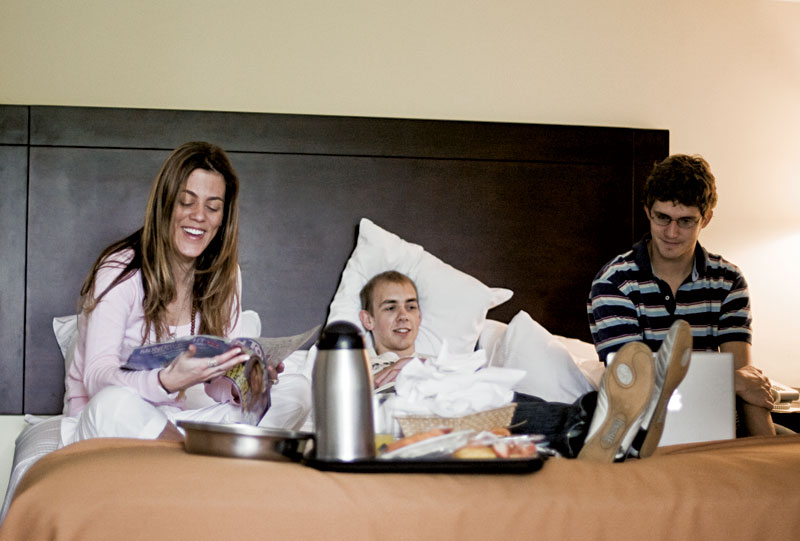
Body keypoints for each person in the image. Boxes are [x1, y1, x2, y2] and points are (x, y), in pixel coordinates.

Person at [60, 141, 311, 446]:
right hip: (110, 424)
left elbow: (216, 383)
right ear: (166, 204)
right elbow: (97, 379)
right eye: (186, 202)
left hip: (171, 427)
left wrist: (247, 384)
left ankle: (181, 455)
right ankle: (199, 459)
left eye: (212, 206)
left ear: (223, 218)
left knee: (298, 389)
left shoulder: (225, 275)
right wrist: (165, 381)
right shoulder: (121, 269)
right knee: (113, 402)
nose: (199, 216)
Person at [358, 271, 692, 461]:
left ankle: (610, 429)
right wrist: (398, 376)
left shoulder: (441, 360)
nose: (403, 316)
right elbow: (350, 414)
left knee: (500, 396)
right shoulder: (355, 365)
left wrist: (432, 370)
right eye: (390, 307)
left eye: (411, 306)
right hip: (399, 412)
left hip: (457, 398)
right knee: (482, 403)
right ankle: (610, 426)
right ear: (367, 319)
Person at [587, 153, 775, 437]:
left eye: (686, 221)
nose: (672, 233)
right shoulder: (615, 282)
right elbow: (631, 381)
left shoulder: (728, 280)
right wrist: (729, 382)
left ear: (706, 218)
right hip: (643, 427)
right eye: (663, 218)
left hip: (718, 425)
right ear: (648, 211)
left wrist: (763, 454)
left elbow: (745, 379)